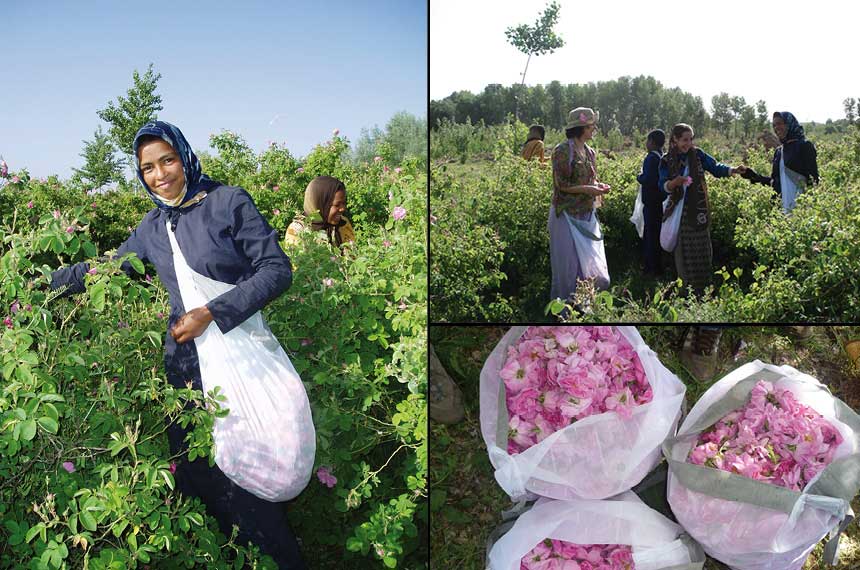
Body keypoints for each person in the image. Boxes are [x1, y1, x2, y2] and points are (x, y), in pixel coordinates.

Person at [50, 121, 307, 569]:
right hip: (187, 373)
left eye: (167, 160)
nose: (160, 174)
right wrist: (43, 284)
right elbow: (108, 267)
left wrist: (212, 312)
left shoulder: (228, 203)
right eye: (147, 167)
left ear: (184, 155)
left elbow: (276, 269)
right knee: (201, 480)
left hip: (240, 362)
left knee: (251, 490)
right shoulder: (153, 226)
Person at [658, 123, 746, 295]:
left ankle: (704, 288)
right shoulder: (666, 160)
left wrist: (733, 170)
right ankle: (686, 289)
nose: (688, 143)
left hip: (698, 211)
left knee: (702, 249)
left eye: (691, 139)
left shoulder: (697, 155)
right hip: (680, 213)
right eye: (684, 140)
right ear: (675, 139)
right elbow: (661, 185)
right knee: (684, 251)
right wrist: (674, 183)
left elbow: (714, 167)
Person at [548, 107, 611, 303]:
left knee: (588, 262)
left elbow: (591, 179)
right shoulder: (563, 151)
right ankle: (565, 307)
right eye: (591, 125)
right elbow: (562, 185)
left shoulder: (590, 152)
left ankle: (584, 304)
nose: (594, 129)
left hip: (585, 214)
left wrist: (597, 186)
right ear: (581, 127)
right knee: (569, 263)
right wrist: (588, 189)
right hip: (566, 215)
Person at [741, 111, 819, 212]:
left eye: (779, 123)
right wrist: (753, 176)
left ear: (789, 123)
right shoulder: (779, 151)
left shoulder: (804, 146)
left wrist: (810, 207)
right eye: (774, 125)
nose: (776, 127)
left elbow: (814, 180)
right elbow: (775, 182)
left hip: (802, 211)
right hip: (782, 214)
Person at [285, 175, 355, 248]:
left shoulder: (343, 224)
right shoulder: (297, 231)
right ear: (320, 204)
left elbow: (352, 255)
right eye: (337, 205)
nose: (342, 209)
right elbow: (297, 258)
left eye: (344, 203)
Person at [636, 129, 666, 276]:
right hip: (659, 202)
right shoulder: (661, 156)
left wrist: (639, 177)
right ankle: (657, 266)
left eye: (648, 141)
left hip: (651, 203)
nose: (646, 144)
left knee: (650, 236)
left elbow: (648, 179)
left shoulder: (651, 158)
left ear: (652, 142)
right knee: (656, 234)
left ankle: (650, 268)